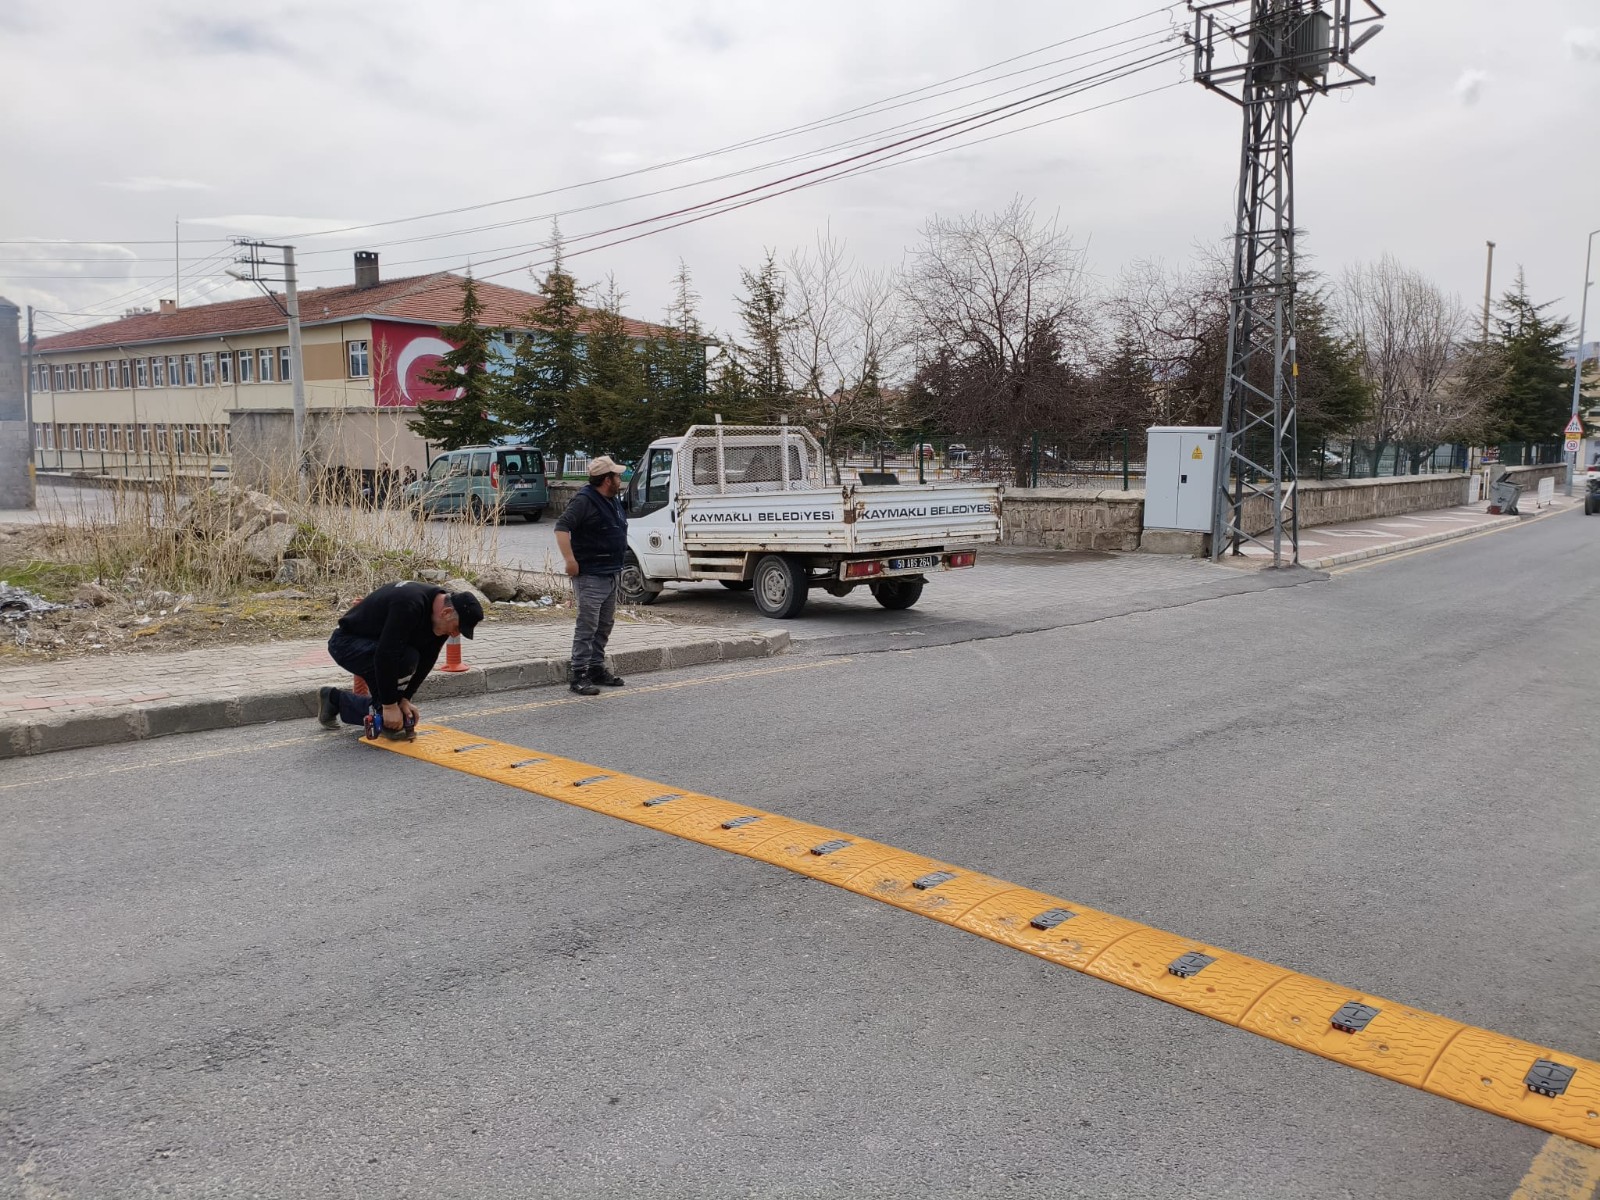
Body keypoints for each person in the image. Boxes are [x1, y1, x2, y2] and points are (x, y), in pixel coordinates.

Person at [317, 582, 484, 735]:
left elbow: (427, 659)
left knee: (395, 720)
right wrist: (390, 705)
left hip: (379, 647)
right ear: (446, 613)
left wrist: (405, 699)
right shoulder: (409, 604)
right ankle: (358, 705)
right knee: (405, 663)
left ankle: (334, 699)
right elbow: (386, 654)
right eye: (456, 628)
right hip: (346, 643)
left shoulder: (440, 618)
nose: (455, 634)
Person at [554, 455, 629, 696]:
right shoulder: (585, 500)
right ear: (607, 479)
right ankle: (579, 675)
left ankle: (596, 668)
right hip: (590, 575)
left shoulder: (611, 500)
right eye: (617, 475)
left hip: (610, 573)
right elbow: (561, 527)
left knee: (605, 624)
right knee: (588, 625)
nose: (620, 478)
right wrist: (570, 561)